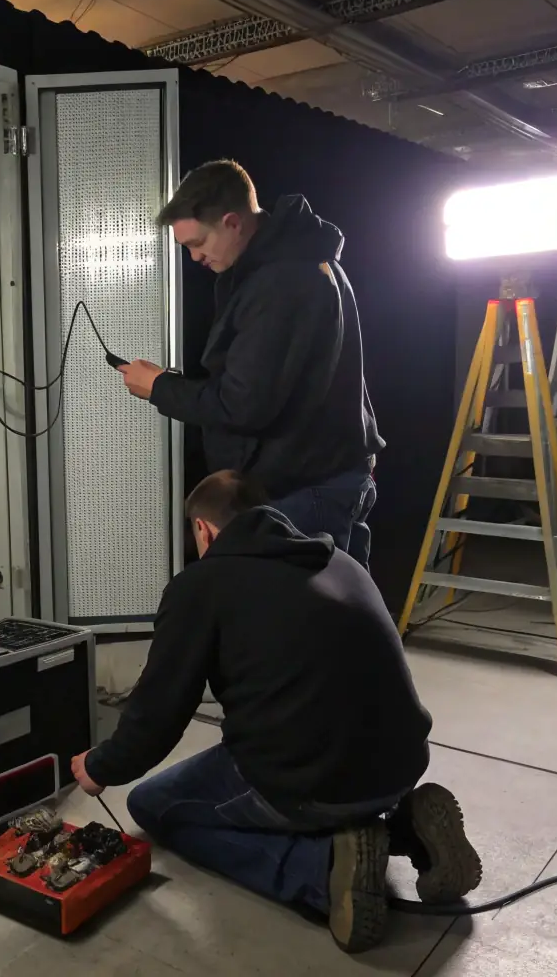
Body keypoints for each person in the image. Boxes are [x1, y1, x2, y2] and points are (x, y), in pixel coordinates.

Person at [70, 470, 482, 953]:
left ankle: (322, 870)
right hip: (402, 763)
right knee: (307, 752)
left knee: (154, 805)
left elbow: (157, 716)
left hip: (312, 784)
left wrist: (100, 767)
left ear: (203, 529)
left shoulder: (202, 585)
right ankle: (406, 831)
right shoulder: (340, 560)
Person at [117, 160, 383, 567]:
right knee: (341, 600)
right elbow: (261, 379)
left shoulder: (281, 282)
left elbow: (243, 404)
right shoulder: (298, 260)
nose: (194, 257)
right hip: (326, 479)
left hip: (307, 489)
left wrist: (159, 388)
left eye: (197, 242)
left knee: (303, 607)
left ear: (232, 222)